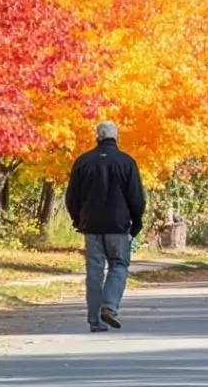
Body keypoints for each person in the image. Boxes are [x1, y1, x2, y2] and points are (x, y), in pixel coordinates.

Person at [65, 121, 147, 332]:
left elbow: (72, 197)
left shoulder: (83, 162)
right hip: (118, 226)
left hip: (91, 225)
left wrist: (78, 220)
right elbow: (137, 198)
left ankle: (95, 319)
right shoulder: (126, 162)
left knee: (94, 271)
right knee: (119, 264)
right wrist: (136, 224)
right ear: (116, 137)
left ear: (97, 137)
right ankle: (109, 306)